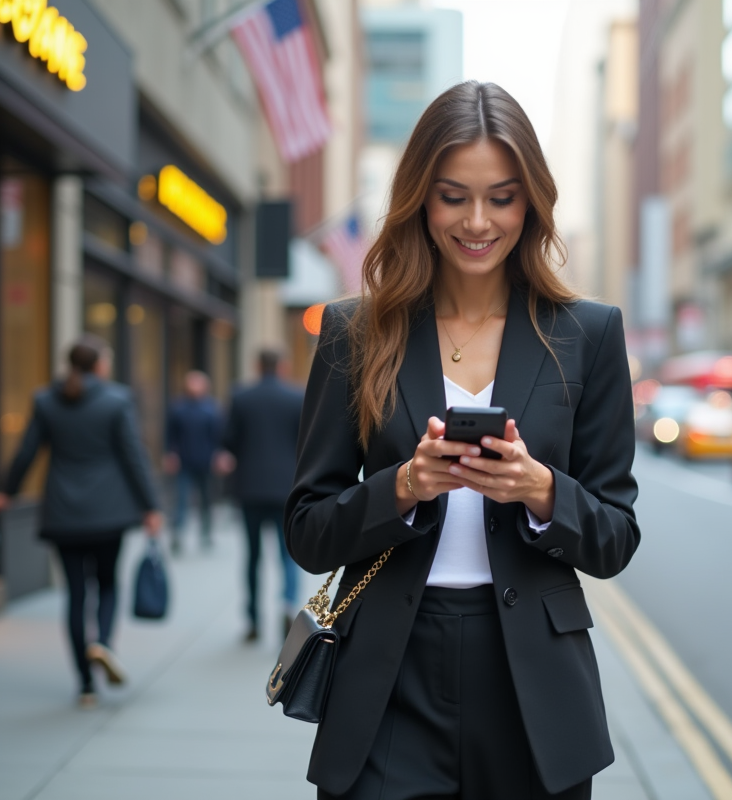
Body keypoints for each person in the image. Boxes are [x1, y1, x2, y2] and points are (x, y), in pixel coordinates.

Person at [286, 82, 640, 800]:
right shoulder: (356, 332)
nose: (478, 222)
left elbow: (615, 538)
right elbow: (308, 531)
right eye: (454, 197)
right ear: (421, 198)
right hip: (388, 680)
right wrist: (402, 487)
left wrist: (541, 490)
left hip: (532, 688)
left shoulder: (589, 334)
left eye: (501, 198)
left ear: (530, 202)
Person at [0, 336, 162, 708]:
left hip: (63, 513)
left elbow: (27, 452)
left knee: (76, 594)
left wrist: (6, 490)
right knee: (107, 584)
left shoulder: (46, 400)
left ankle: (85, 685)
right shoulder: (117, 400)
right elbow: (133, 456)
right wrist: (150, 506)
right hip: (109, 512)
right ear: (98, 364)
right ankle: (103, 644)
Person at [217, 349, 303, 642]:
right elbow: (305, 441)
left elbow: (228, 440)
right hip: (286, 488)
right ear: (282, 366)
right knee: (288, 554)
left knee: (252, 556)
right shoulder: (296, 397)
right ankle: (288, 603)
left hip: (250, 488)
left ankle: (253, 618)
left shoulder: (241, 397)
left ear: (257, 366)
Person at [163, 370, 221, 553]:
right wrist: (170, 454)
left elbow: (218, 436)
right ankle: (178, 534)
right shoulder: (178, 408)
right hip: (184, 461)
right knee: (181, 500)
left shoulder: (212, 409)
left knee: (206, 499)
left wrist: (218, 456)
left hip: (205, 461)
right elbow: (170, 435)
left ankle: (206, 533)